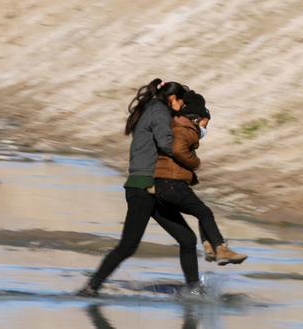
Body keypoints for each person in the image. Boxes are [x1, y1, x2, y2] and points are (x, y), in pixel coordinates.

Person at [77, 78, 202, 297]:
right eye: (181, 103)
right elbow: (166, 144)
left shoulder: (155, 109)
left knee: (187, 239)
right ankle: (91, 287)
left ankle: (194, 292)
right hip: (143, 187)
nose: (182, 107)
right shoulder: (159, 112)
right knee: (128, 245)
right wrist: (191, 139)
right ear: (173, 98)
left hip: (152, 187)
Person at [153, 90, 247, 266]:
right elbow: (178, 150)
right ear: (197, 118)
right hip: (171, 183)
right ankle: (221, 249)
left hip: (162, 185)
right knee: (205, 213)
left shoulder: (174, 125)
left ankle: (209, 247)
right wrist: (194, 162)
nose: (205, 128)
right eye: (206, 122)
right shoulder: (185, 129)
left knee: (201, 212)